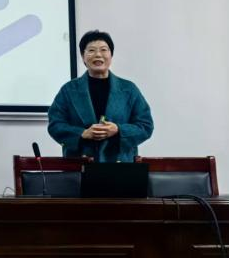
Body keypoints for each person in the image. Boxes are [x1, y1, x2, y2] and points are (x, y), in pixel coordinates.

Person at [47, 30, 153, 162]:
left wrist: (118, 130)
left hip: (120, 164)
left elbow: (146, 126)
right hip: (80, 164)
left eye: (103, 50)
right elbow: (55, 125)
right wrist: (82, 133)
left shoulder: (129, 89)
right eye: (91, 50)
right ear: (83, 56)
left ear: (111, 55)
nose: (98, 54)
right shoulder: (69, 90)